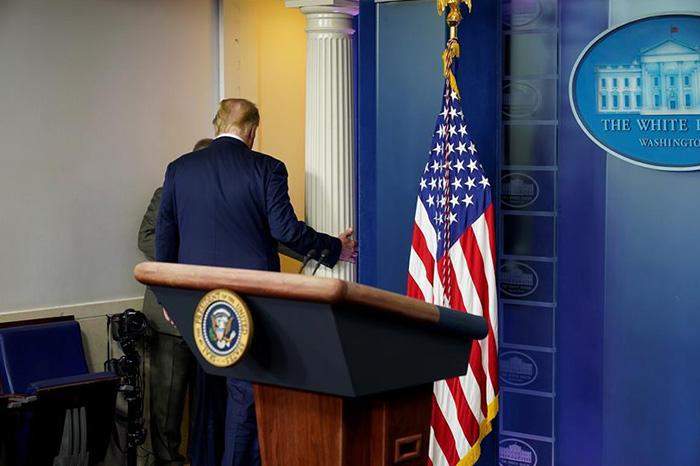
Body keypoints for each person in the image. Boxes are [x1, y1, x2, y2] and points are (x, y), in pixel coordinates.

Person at [155, 98, 357, 466]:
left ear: (217, 124)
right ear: (252, 130)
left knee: (207, 393)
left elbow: (165, 235)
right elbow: (285, 230)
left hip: (197, 303)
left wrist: (169, 297)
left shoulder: (179, 169)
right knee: (246, 393)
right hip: (252, 301)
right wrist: (334, 247)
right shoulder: (267, 168)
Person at [138, 137, 213, 466]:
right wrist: (189, 259)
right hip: (168, 321)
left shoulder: (226, 201)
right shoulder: (165, 192)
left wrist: (324, 249)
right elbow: (145, 238)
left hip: (213, 320)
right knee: (166, 408)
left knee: (207, 409)